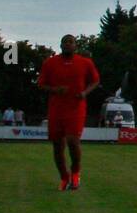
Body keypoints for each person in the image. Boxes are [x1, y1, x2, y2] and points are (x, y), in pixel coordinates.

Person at [37, 34, 101, 190]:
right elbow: (41, 84)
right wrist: (55, 89)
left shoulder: (85, 63)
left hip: (76, 107)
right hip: (56, 108)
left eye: (70, 42)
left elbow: (95, 80)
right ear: (60, 45)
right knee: (57, 145)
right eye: (64, 42)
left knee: (73, 141)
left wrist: (85, 93)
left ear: (75, 45)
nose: (67, 44)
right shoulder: (50, 63)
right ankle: (64, 177)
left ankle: (75, 173)